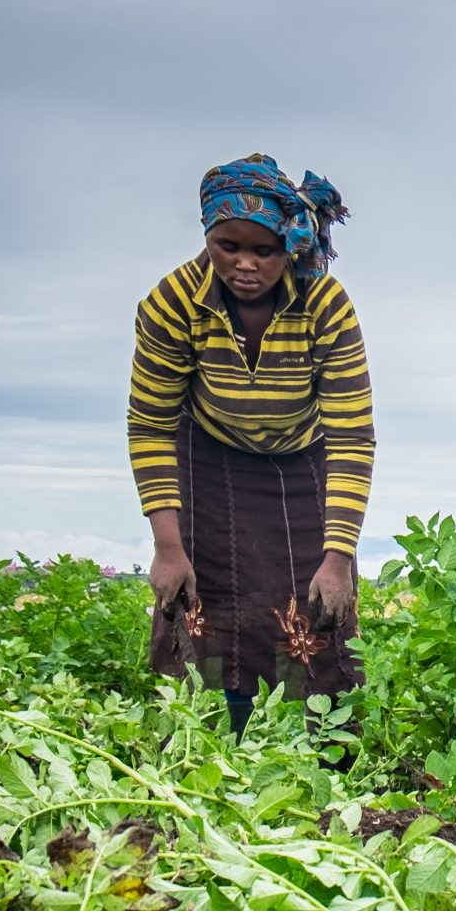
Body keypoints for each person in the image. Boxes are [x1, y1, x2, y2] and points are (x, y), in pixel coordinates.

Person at [127, 154, 373, 734]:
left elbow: (351, 435)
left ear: (289, 245)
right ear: (207, 238)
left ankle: (326, 749)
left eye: (263, 250)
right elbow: (151, 425)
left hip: (303, 462)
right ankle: (211, 741)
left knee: (317, 608)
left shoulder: (325, 306)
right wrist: (167, 545)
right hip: (206, 457)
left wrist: (337, 559)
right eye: (227, 246)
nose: (244, 264)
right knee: (201, 602)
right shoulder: (172, 304)